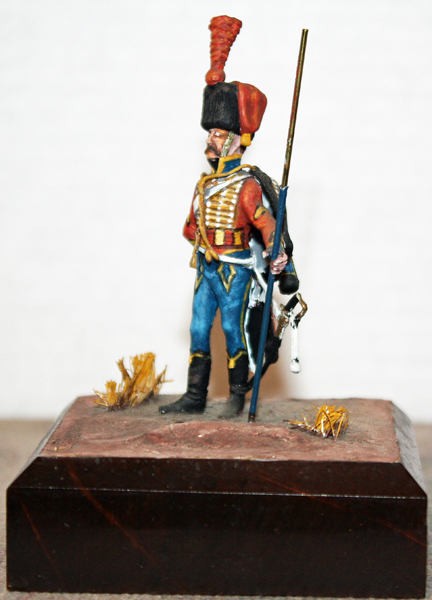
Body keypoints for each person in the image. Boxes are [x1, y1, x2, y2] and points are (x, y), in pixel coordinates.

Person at [159, 16, 297, 419]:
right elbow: (190, 228)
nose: (210, 139)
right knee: (198, 329)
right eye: (211, 133)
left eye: (218, 134)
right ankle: (194, 396)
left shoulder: (247, 185)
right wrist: (200, 238)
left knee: (233, 331)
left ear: (238, 141)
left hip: (235, 269)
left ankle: (236, 395)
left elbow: (266, 223)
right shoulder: (204, 185)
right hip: (206, 265)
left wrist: (276, 253)